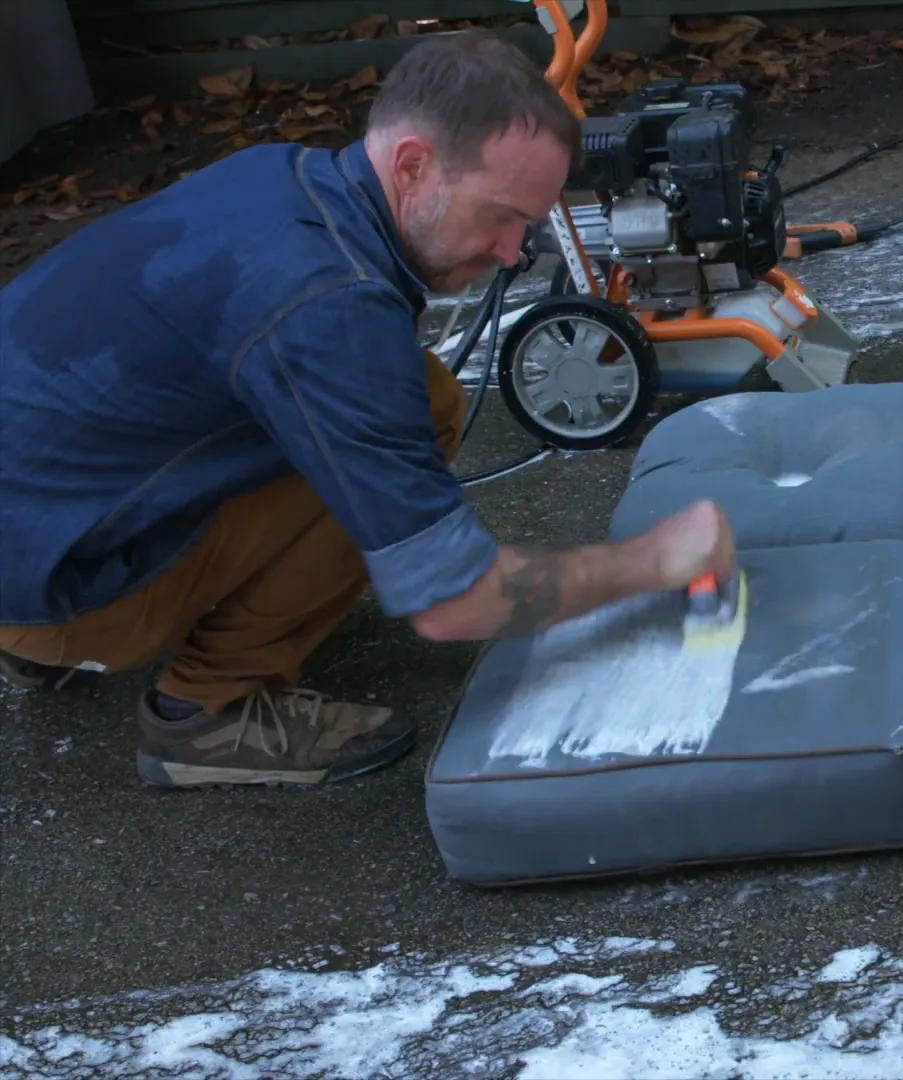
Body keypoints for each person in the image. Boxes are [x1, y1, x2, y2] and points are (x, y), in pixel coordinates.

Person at [0, 34, 736, 789]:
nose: (514, 253)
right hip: (46, 586)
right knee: (412, 410)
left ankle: (44, 625)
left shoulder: (284, 177)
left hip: (36, 503)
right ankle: (204, 714)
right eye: (501, 217)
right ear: (414, 164)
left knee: (419, 398)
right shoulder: (329, 307)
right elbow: (453, 602)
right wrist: (657, 561)